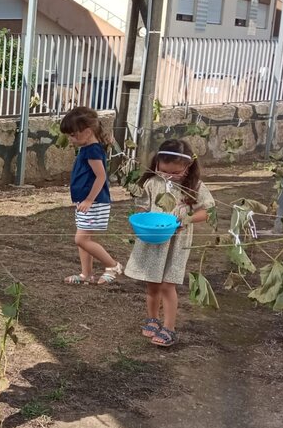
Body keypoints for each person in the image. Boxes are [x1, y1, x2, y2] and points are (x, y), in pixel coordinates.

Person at [125, 139, 214, 347]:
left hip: (176, 241)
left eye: (174, 173)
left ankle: (170, 327)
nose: (168, 177)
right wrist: (141, 221)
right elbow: (142, 208)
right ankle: (152, 318)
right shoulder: (151, 182)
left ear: (188, 166)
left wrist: (188, 219)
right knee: (152, 282)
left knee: (167, 285)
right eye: (163, 171)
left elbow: (209, 210)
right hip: (153, 240)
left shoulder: (194, 187)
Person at [60, 106, 124, 286]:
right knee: (84, 240)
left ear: (87, 132)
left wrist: (89, 200)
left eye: (73, 135)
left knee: (80, 239)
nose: (70, 139)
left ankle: (112, 265)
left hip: (95, 203)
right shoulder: (88, 148)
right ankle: (86, 274)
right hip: (86, 202)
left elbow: (101, 176)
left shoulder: (92, 150)